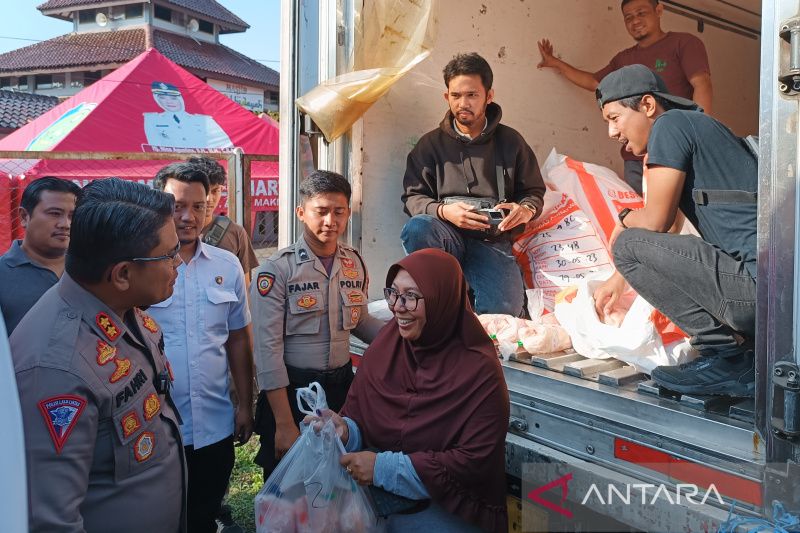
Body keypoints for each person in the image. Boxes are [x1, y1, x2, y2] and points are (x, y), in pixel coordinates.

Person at [10, 178, 186, 532]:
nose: (179, 262)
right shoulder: (56, 368)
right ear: (122, 273)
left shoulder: (121, 306)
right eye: (169, 255)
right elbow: (52, 521)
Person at [306, 248, 510, 532]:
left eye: (412, 296)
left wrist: (383, 469)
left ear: (442, 300)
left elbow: (473, 462)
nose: (398, 306)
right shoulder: (387, 348)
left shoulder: (478, 370)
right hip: (378, 510)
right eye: (393, 293)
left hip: (444, 512)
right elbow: (364, 421)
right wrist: (345, 431)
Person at [593, 65, 756, 397]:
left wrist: (622, 220)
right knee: (631, 246)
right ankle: (739, 353)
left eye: (614, 118)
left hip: (755, 292)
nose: (612, 132)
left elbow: (654, 222)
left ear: (648, 106)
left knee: (627, 244)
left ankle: (728, 358)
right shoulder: (696, 127)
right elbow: (669, 231)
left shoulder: (670, 125)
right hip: (772, 297)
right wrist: (617, 279)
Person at [250, 170, 384, 478]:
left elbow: (361, 321)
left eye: (339, 212)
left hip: (341, 393)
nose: (330, 221)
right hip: (291, 395)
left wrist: (404, 338)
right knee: (287, 483)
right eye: (321, 212)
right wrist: (284, 423)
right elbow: (267, 350)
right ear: (301, 212)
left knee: (337, 481)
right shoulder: (276, 271)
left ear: (348, 212)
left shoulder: (355, 263)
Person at [149, 163, 254, 533]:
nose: (187, 216)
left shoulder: (226, 266)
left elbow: (239, 337)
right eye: (176, 205)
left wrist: (245, 402)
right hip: (155, 427)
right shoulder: (140, 268)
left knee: (203, 514)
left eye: (198, 206)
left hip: (213, 424)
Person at [401, 52, 545, 317]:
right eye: (456, 96)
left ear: (489, 96)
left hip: (492, 240)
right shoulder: (429, 145)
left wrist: (524, 209)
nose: (463, 103)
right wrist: (444, 212)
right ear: (447, 97)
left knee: (504, 313)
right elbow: (412, 198)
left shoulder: (511, 142)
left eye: (472, 95)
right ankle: (437, 307)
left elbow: (533, 191)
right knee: (419, 227)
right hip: (445, 235)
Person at [537, 0, 712, 194]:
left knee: (680, 217)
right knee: (643, 214)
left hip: (678, 150)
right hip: (636, 160)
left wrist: (700, 134)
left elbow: (701, 83)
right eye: (628, 17)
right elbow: (595, 83)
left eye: (641, 13)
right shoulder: (624, 59)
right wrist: (556, 63)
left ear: (659, 10)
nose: (635, 21)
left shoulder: (683, 43)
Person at [0, 176, 81, 334]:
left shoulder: (91, 271)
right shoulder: (2, 274)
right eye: (55, 213)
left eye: (72, 216)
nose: (65, 224)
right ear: (24, 217)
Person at [185, 156, 259, 283]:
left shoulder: (236, 233)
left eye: (215, 190)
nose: (209, 198)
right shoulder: (169, 231)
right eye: (204, 190)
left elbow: (244, 287)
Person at [143, 81, 232, 149]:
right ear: (157, 100)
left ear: (180, 99)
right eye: (162, 98)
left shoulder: (203, 120)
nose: (168, 102)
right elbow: (154, 146)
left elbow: (226, 144)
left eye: (173, 98)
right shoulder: (152, 119)